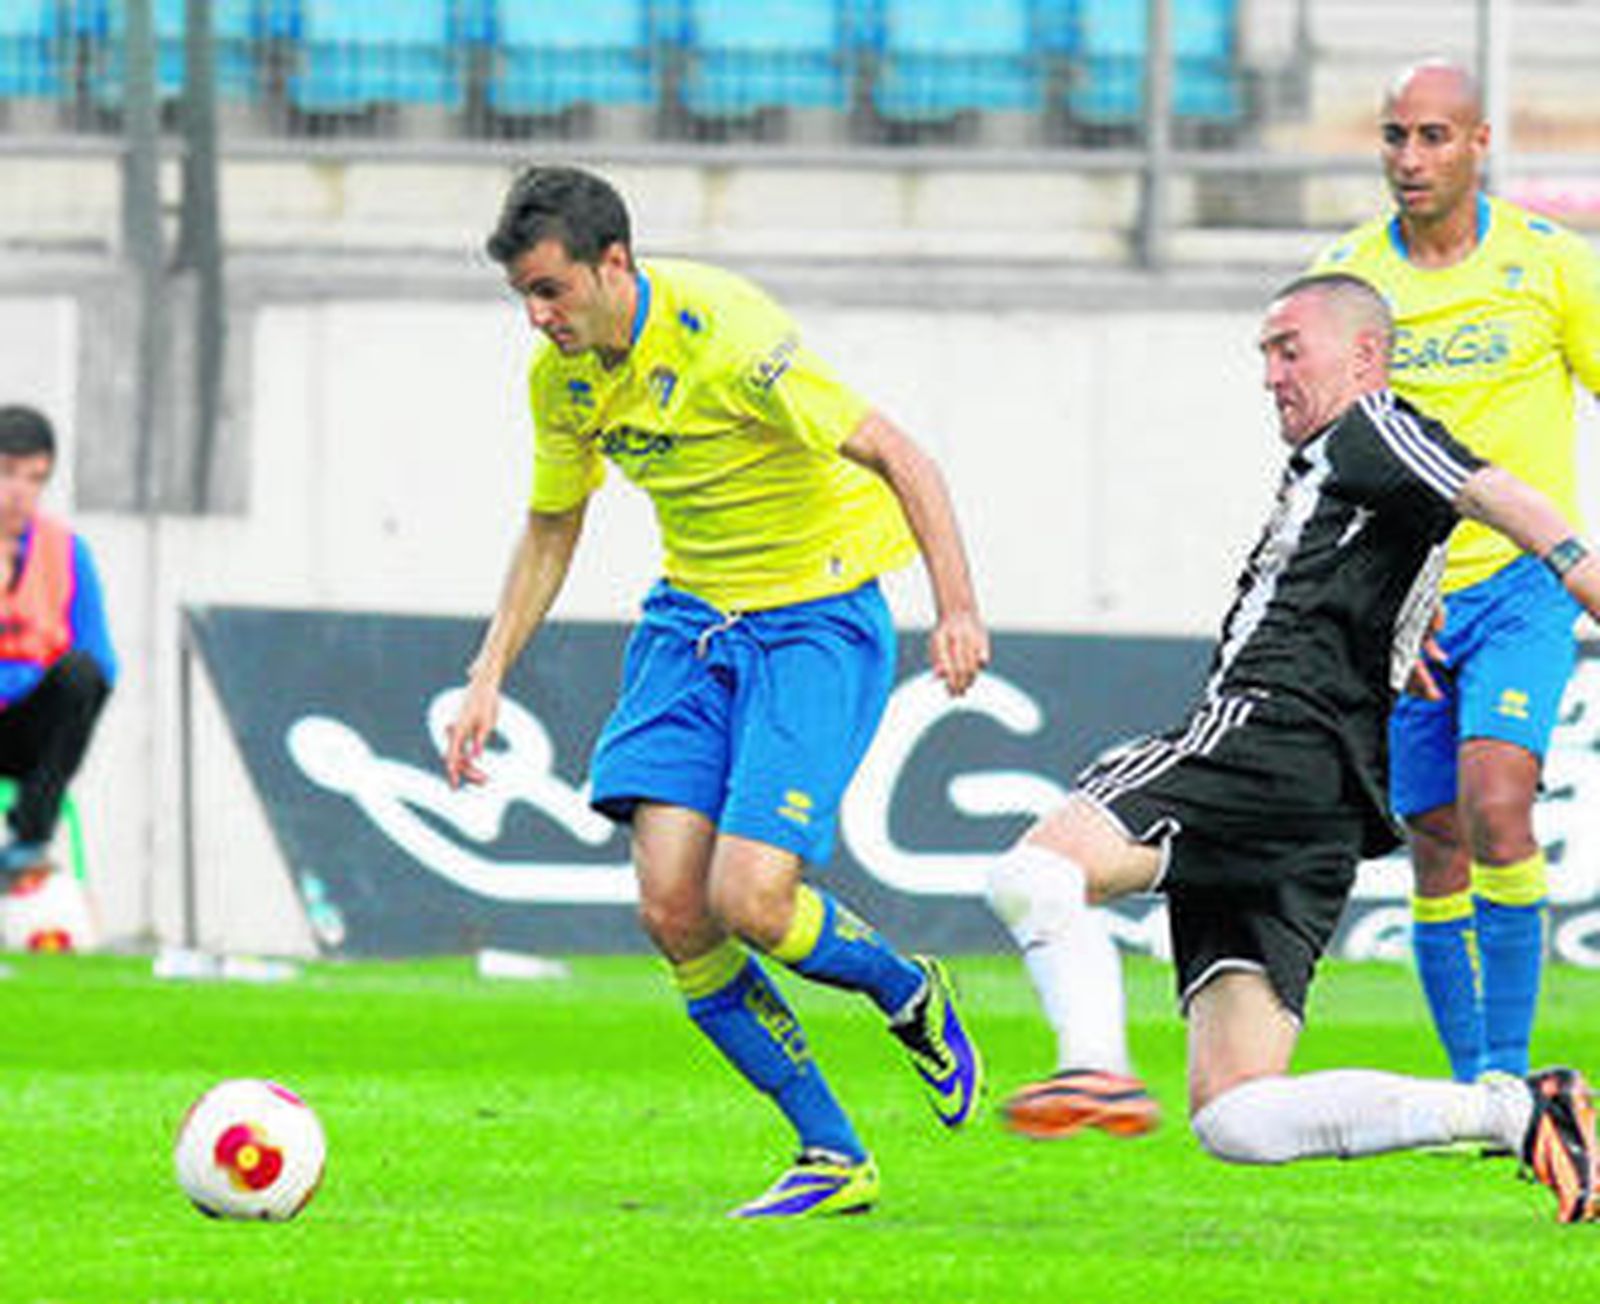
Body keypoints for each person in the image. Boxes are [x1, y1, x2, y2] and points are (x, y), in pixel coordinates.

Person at [986, 273, 1598, 1223]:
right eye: (1264, 354)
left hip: (1270, 733)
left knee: (1036, 874)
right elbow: (1403, 548)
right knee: (1238, 1118)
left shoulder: (1376, 423)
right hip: (1321, 797)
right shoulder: (1338, 465)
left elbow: (1499, 494)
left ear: (1363, 356)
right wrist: (1404, 627)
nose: (1269, 374)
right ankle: (1516, 1111)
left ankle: (1096, 1070)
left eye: (1287, 349)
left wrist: (1580, 573)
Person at [442, 166, 989, 1220]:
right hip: (694, 624)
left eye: (551, 290)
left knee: (752, 898)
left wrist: (954, 608)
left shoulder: (726, 334)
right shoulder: (560, 380)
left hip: (816, 616)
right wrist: (487, 673)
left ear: (614, 264)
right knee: (672, 905)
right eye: (523, 295)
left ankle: (905, 989)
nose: (536, 316)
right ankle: (830, 1149)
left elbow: (901, 455)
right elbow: (553, 525)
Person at [1308, 60, 1600, 1086]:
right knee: (1434, 839)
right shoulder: (1347, 280)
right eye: (1395, 136)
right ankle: (1475, 1078)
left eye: (1433, 136)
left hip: (1519, 586)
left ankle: (1509, 1075)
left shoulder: (1551, 266)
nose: (1410, 158)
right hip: (1403, 603)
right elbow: (1332, 454)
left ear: (1479, 145)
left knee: (1497, 799)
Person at [0, 405, 116, 883]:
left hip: (27, 729)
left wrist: (22, 679)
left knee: (81, 677)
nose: (19, 492)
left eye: (35, 478)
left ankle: (27, 843)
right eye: (7, 473)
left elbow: (101, 667)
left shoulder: (68, 552)